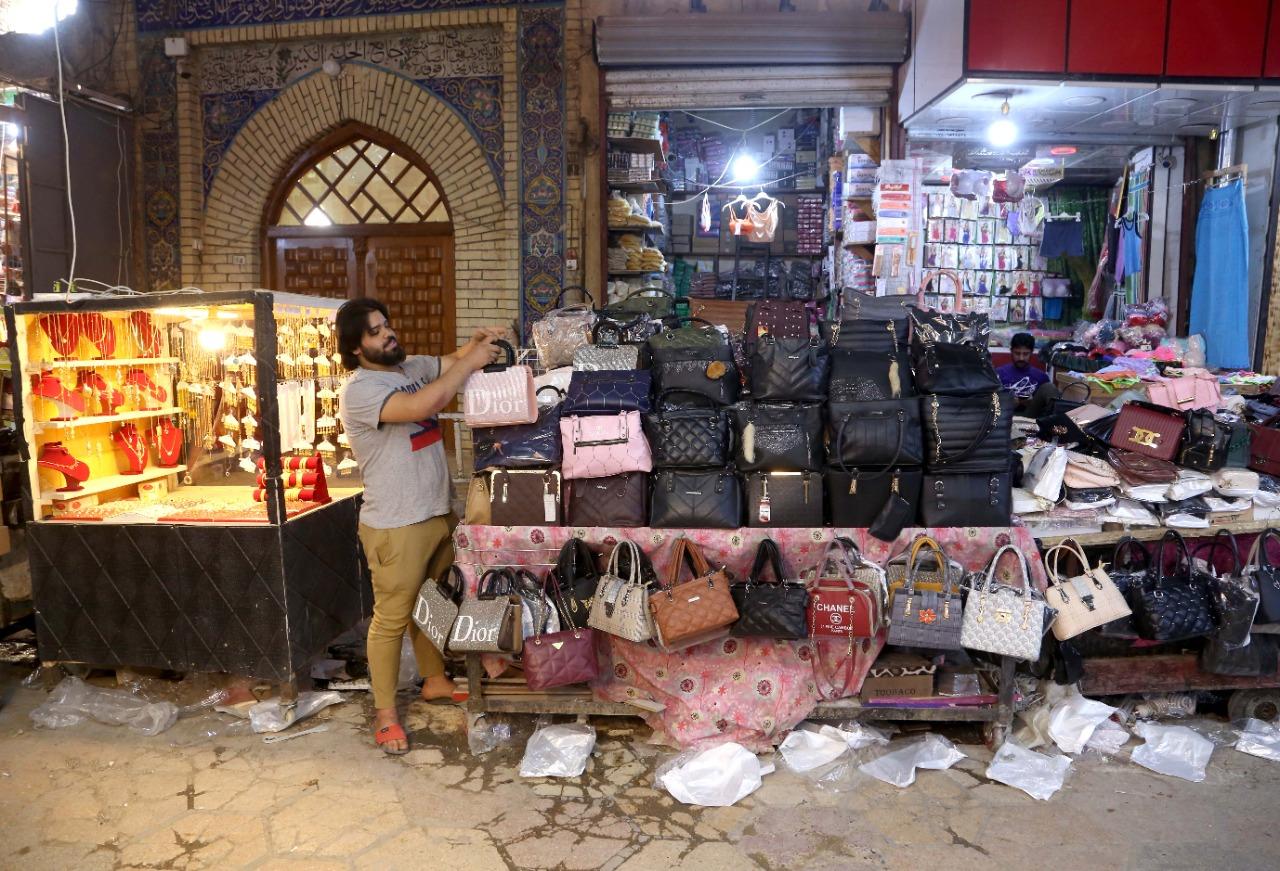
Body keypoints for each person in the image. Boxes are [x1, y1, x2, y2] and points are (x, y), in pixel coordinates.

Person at [336, 297, 508, 755]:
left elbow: (448, 362)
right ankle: (385, 714)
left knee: (432, 602)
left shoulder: (408, 366)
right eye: (375, 331)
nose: (388, 333)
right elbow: (422, 404)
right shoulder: (361, 390)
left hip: (434, 511)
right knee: (391, 618)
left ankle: (434, 680)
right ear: (356, 347)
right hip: (396, 523)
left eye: (386, 324)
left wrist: (471, 347)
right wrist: (469, 362)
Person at [997, 332, 1059, 417]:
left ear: (1031, 352)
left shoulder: (1041, 376)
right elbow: (988, 402)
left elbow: (1044, 405)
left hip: (1030, 415)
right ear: (1011, 351)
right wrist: (1007, 403)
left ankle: (1056, 422)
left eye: (1025, 354)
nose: (1021, 358)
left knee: (1049, 387)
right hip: (1004, 416)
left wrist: (1032, 402)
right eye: (1017, 353)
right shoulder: (999, 373)